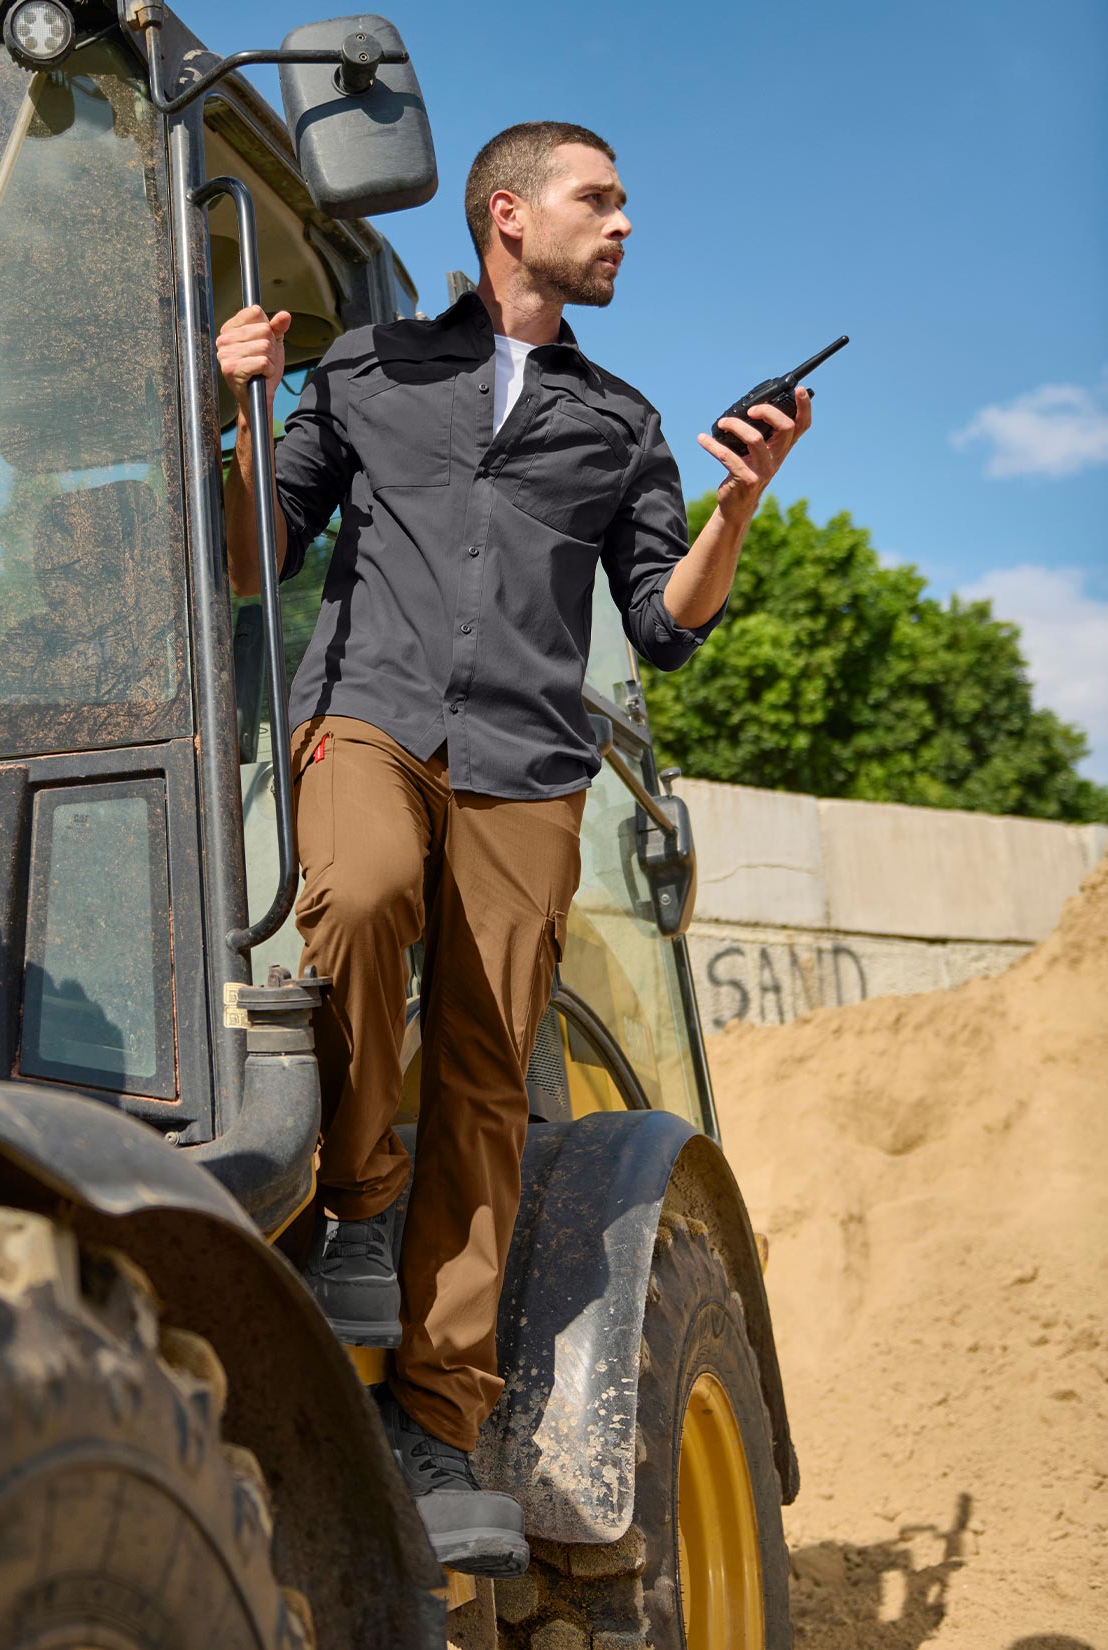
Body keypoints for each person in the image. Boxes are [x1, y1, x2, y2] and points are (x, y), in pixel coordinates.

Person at [218, 121, 810, 1576]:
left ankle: (441, 1417)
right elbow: (256, 552)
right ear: (508, 215)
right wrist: (230, 410)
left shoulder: (620, 421)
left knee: (488, 1072)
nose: (622, 225)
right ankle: (358, 1201)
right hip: (372, 719)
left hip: (526, 771)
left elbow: (665, 624)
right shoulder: (363, 372)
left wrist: (740, 500)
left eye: (622, 203)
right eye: (598, 200)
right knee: (353, 893)